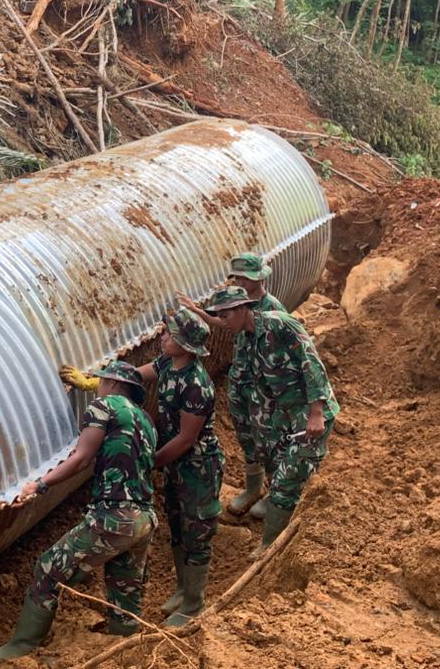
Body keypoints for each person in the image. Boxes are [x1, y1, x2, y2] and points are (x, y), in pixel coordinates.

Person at [0, 361, 157, 661]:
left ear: (113, 383)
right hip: (143, 519)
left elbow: (81, 458)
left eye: (101, 381)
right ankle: (124, 651)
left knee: (48, 569)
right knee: (125, 586)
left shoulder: (104, 407)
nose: (97, 386)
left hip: (114, 516)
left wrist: (39, 485)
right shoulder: (145, 419)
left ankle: (22, 645)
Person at [205, 285, 338, 550]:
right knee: (279, 469)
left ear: (242, 308)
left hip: (309, 414)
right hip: (285, 415)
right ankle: (287, 521)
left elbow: (312, 364)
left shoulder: (279, 325)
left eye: (225, 315)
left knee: (286, 482)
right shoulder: (246, 338)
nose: (223, 322)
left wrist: (316, 414)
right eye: (218, 316)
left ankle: (268, 548)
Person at [136, 307, 223, 628]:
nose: (162, 337)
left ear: (186, 345)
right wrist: (101, 378)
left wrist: (151, 462)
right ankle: (182, 588)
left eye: (169, 334)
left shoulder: (196, 384)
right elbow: (138, 374)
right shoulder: (167, 364)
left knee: (196, 532)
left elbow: (187, 439)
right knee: (176, 524)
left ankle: (194, 603)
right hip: (175, 464)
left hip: (198, 467)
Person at [181, 251, 285, 519]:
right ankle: (253, 489)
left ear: (257, 278)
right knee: (247, 436)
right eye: (236, 277)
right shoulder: (237, 305)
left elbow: (286, 351)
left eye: (243, 278)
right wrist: (198, 312)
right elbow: (225, 323)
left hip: (264, 389)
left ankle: (275, 491)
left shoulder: (271, 309)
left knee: (269, 440)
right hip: (241, 383)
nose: (238, 282)